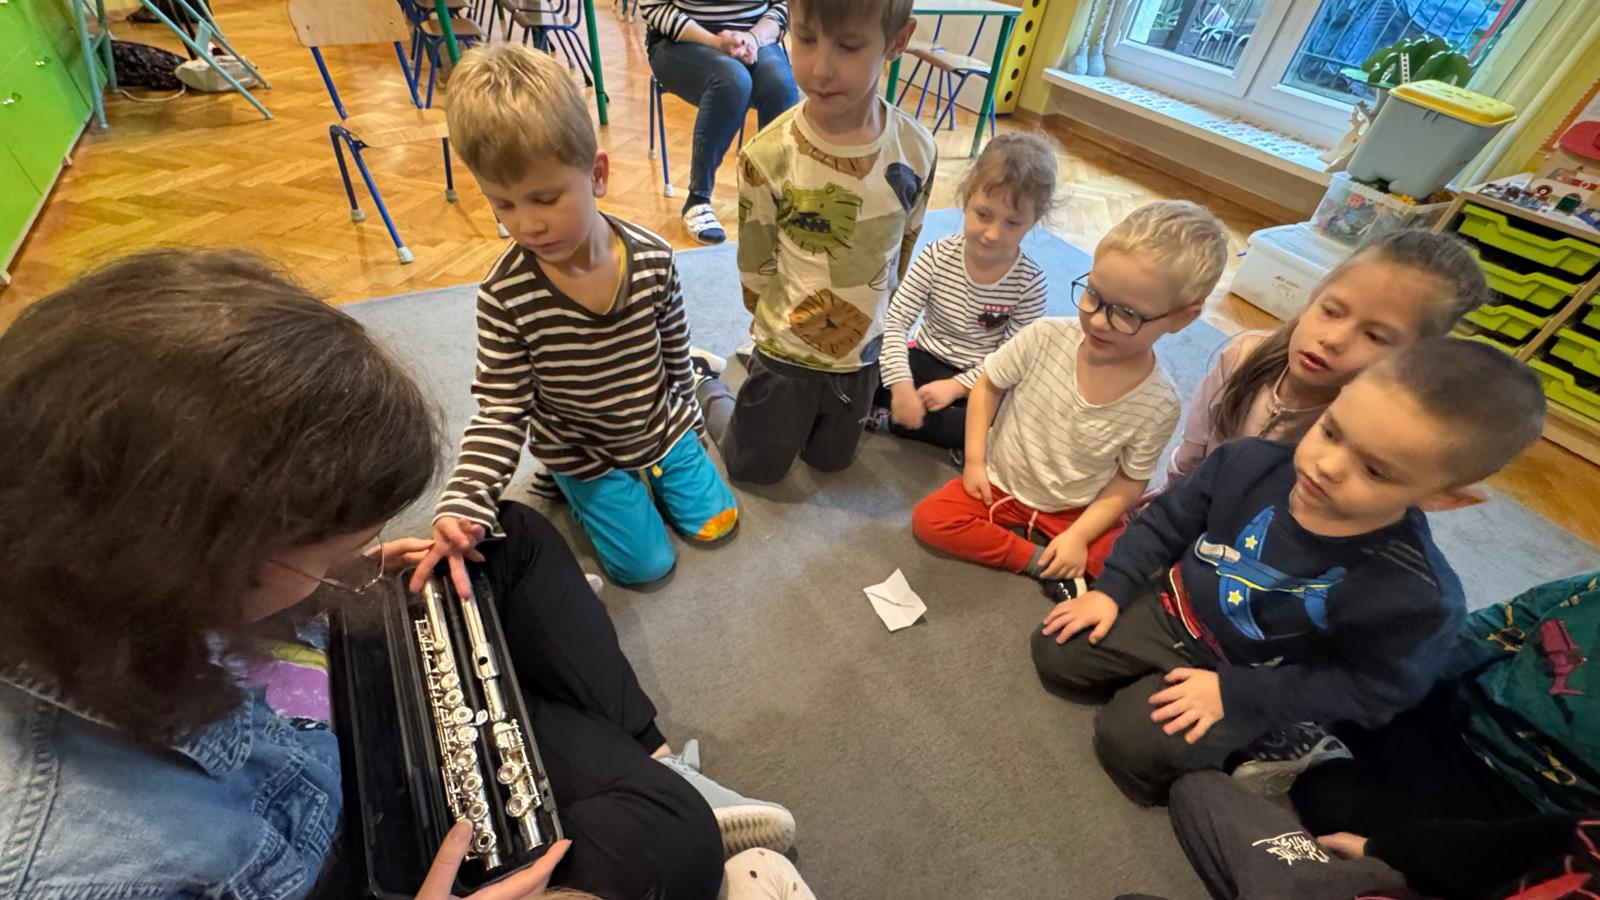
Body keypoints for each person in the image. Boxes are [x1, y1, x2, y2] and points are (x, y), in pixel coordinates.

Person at [0, 249, 792, 900]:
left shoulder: (97, 565)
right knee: (670, 832)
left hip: (327, 689)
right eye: (323, 553)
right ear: (199, 565)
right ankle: (664, 788)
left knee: (505, 537)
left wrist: (332, 576)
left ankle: (651, 764)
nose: (358, 554)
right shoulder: (65, 860)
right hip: (366, 827)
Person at [1031, 338, 1548, 806]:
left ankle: (1286, 738)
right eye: (1331, 430)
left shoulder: (1419, 597)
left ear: (1446, 498)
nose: (1327, 465)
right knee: (1057, 652)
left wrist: (1237, 694)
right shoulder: (1247, 462)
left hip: (1259, 678)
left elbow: (1374, 690)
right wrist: (1111, 591)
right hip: (1175, 612)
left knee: (1132, 747)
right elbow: (1165, 521)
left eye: (1374, 470)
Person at [420, 44, 738, 591]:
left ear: (597, 175)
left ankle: (673, 442)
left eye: (546, 198)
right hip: (582, 449)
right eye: (504, 204)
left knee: (718, 525)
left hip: (657, 424)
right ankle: (572, 484)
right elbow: (501, 410)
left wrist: (686, 416)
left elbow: (673, 347)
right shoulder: (504, 295)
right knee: (645, 567)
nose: (528, 225)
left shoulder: (654, 257)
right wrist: (466, 498)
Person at [1159, 569, 1600, 900]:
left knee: (1329, 799)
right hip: (1459, 709)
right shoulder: (1587, 590)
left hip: (1522, 796)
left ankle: (1323, 754)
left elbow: (1544, 843)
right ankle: (1319, 733)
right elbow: (1483, 633)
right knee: (1371, 652)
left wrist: (1388, 848)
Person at [910, 201, 1228, 586]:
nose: (1098, 320)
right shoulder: (1044, 336)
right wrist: (975, 461)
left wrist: (1078, 535)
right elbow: (988, 385)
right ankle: (1038, 561)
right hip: (999, 483)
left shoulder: (1159, 403)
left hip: (1074, 510)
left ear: (1181, 318)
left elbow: (1130, 481)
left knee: (1133, 568)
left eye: (1127, 313)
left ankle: (1063, 555)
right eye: (1093, 293)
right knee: (931, 519)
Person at [696, 0, 937, 485]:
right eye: (805, 39)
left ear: (898, 41)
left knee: (831, 461)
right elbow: (755, 269)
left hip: (861, 354)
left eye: (848, 46)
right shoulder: (768, 153)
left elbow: (903, 247)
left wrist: (877, 325)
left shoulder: (917, 149)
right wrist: (776, 331)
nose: (820, 68)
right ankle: (706, 384)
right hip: (786, 352)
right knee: (752, 467)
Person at [1166, 230, 1488, 484]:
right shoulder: (1243, 353)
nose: (1333, 340)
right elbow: (1196, 441)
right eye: (1331, 311)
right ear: (1314, 295)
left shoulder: (1379, 425)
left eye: (1375, 336)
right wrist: (1174, 492)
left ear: (1415, 356)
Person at [872, 131, 1055, 455]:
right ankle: (901, 411)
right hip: (924, 356)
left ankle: (892, 420)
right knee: (863, 370)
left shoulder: (1030, 283)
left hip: (982, 377)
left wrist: (956, 387)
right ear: (966, 199)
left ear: (1033, 221)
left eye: (1012, 223)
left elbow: (1010, 359)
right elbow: (896, 322)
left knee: (1000, 421)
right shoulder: (936, 256)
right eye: (983, 214)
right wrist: (901, 385)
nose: (993, 233)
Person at [640, 0, 800, 245]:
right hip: (681, 40)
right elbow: (653, 7)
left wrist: (753, 38)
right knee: (732, 81)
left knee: (781, 87)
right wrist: (715, 42)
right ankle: (698, 199)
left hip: (756, 34)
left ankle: (773, 197)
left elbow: (786, 4)